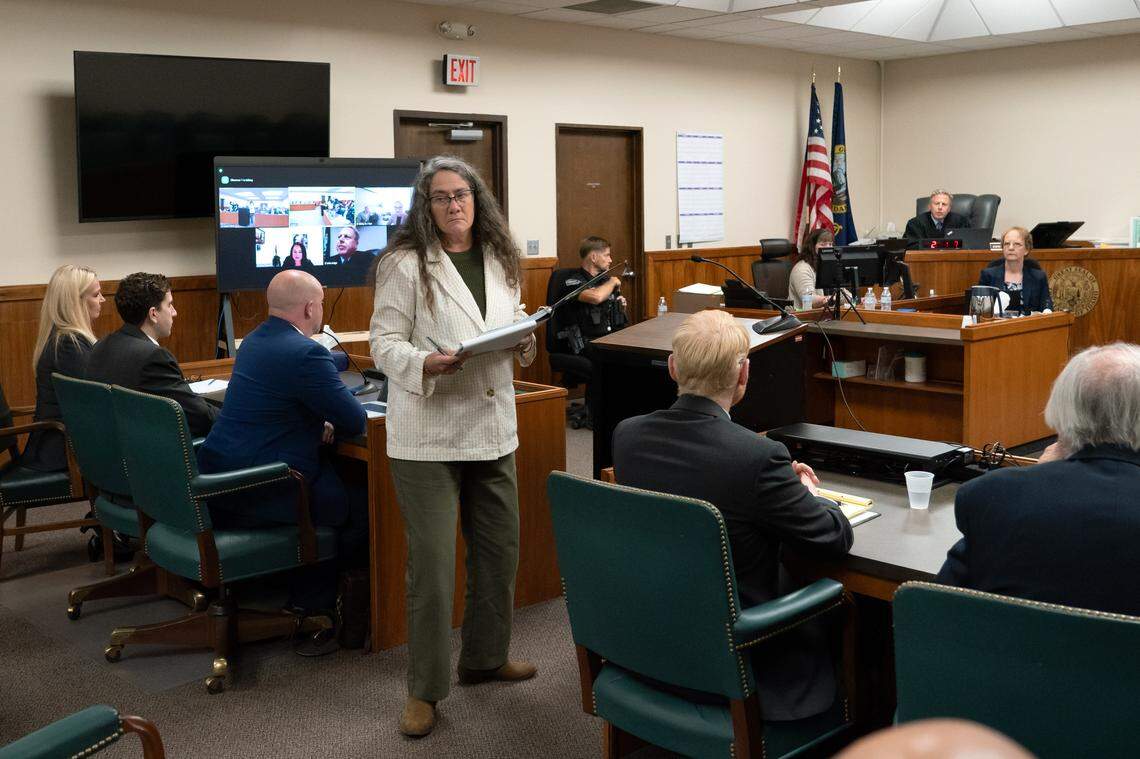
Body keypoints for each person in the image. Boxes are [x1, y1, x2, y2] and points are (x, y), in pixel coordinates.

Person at [612, 309, 853, 721]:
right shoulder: (758, 458)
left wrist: (775, 484)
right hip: (739, 657)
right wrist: (803, 491)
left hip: (651, 640)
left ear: (673, 367)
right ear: (743, 374)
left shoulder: (628, 436)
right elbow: (833, 536)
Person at [370, 155, 538, 737]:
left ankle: (486, 659)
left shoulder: (499, 255)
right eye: (440, 198)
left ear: (477, 198)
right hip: (428, 434)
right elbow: (383, 344)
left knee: (499, 553)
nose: (453, 206)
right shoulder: (403, 263)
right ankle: (424, 691)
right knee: (434, 568)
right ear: (426, 206)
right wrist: (425, 362)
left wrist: (523, 340)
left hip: (492, 426)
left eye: (461, 195)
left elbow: (511, 318)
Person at [198, 270, 367, 639]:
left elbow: (283, 392)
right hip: (267, 486)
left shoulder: (255, 341)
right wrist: (326, 414)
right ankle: (316, 603)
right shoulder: (306, 353)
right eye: (320, 303)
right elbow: (355, 420)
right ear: (310, 308)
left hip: (219, 480)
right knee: (366, 504)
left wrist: (315, 413)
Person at [936, 343, 1140, 615]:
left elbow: (938, 609)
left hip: (1009, 656)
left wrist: (1034, 477)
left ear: (1063, 410)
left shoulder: (992, 497)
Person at [85, 272, 217, 438]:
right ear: (153, 313)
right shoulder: (153, 357)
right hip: (155, 456)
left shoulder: (102, 345)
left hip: (115, 453)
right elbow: (201, 418)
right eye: (170, 305)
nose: (174, 312)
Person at [21, 265, 103, 472]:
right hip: (60, 450)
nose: (102, 299)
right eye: (96, 294)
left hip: (63, 441)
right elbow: (94, 399)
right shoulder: (69, 345)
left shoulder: (65, 339)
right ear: (76, 301)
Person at [978, 226, 1053, 313]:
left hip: (1028, 325)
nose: (1011, 248)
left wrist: (1047, 311)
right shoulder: (988, 275)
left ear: (1026, 250)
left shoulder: (1039, 277)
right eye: (1006, 244)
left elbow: (1046, 303)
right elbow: (981, 310)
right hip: (997, 325)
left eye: (1017, 244)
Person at [787, 227, 834, 309]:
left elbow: (842, 292)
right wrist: (832, 298)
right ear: (812, 247)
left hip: (826, 316)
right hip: (803, 318)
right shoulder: (802, 269)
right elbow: (809, 299)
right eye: (823, 244)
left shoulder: (828, 266)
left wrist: (858, 299)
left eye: (830, 244)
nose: (828, 248)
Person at [904, 189, 970, 241]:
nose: (940, 207)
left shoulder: (961, 222)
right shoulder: (915, 224)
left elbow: (968, 244)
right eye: (936, 203)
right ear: (929, 206)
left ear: (949, 208)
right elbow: (911, 247)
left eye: (944, 204)